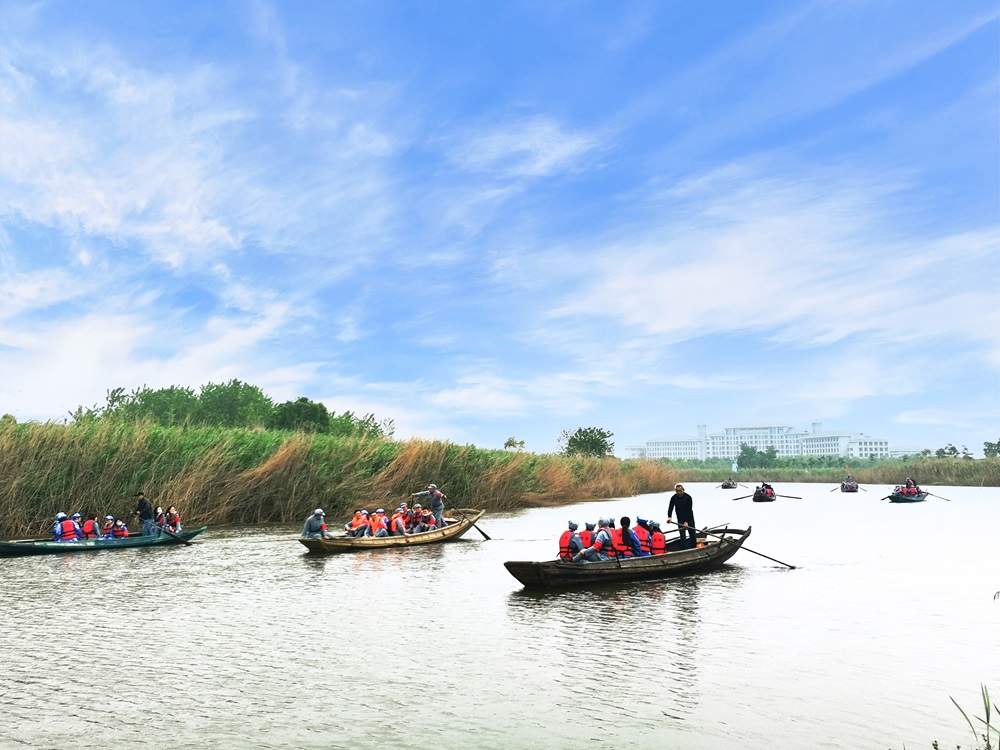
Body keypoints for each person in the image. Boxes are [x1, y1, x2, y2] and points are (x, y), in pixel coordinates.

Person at [668, 483, 697, 550]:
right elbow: (670, 508)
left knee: (692, 534)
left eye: (680, 491)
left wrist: (686, 522)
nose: (679, 492)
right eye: (677, 491)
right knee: (682, 535)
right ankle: (684, 549)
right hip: (680, 519)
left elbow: (689, 510)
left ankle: (694, 548)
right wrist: (669, 517)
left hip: (689, 518)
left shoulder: (688, 497)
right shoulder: (674, 498)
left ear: (683, 490)